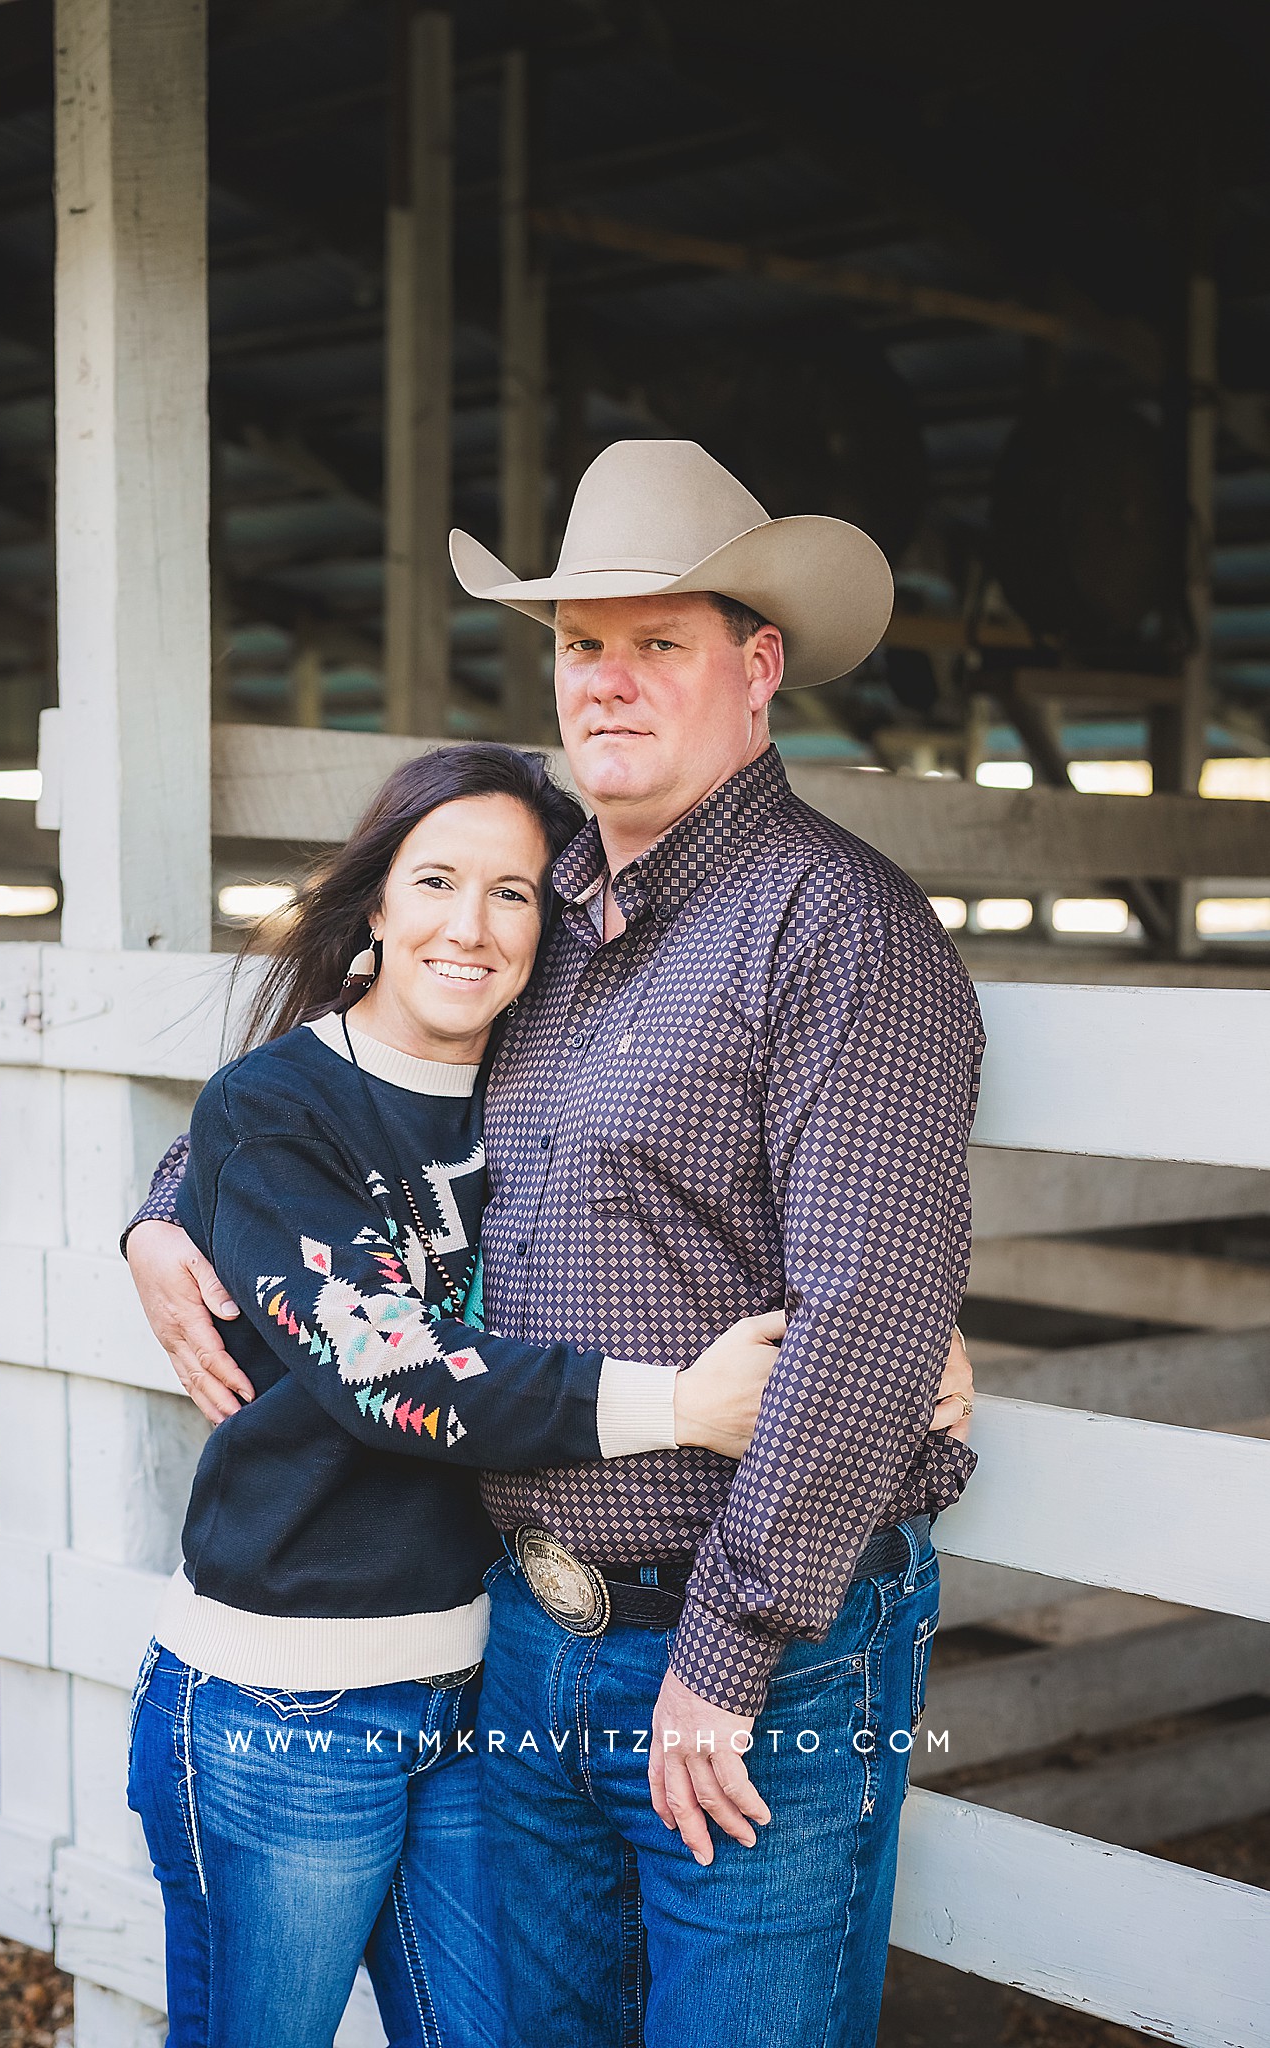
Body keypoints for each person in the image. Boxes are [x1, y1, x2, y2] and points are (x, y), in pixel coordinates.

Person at [127, 439, 982, 2048]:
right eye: (583, 643)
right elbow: (339, 1083)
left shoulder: (836, 927)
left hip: (755, 1644)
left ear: (758, 665)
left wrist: (725, 1661)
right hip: (523, 1632)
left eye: (659, 641)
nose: (609, 680)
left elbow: (867, 1303)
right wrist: (168, 1208)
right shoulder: (542, 907)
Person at [125, 742, 791, 2048]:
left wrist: (889, 1334)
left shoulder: (542, 1090)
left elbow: (713, 1215)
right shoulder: (274, 1109)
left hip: (480, 1694)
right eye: (435, 880)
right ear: (375, 902)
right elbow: (390, 1371)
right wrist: (681, 1409)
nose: (469, 927)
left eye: (514, 894)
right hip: (284, 1715)